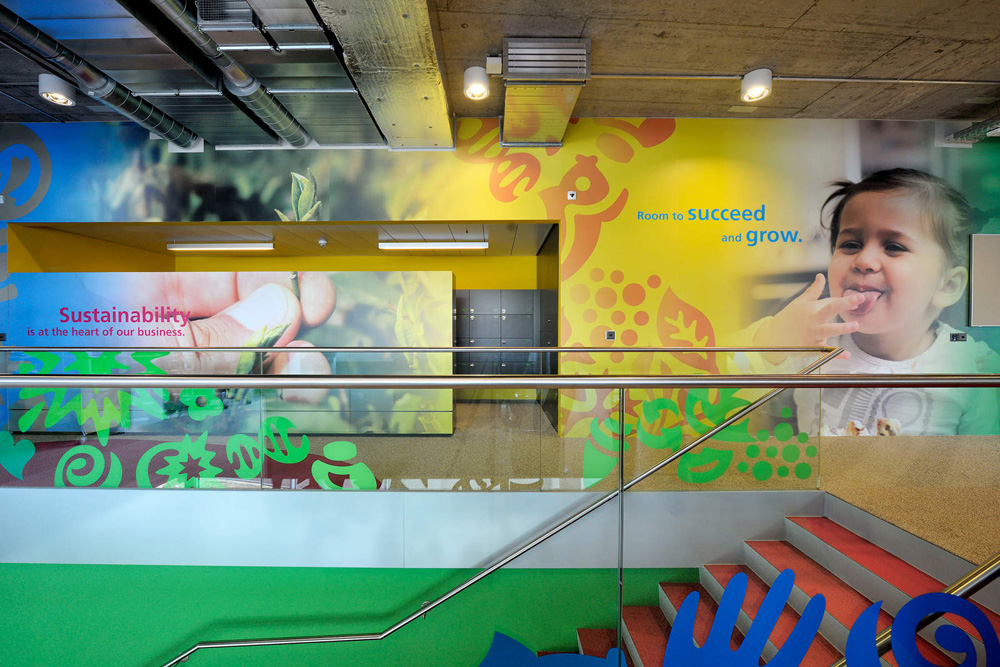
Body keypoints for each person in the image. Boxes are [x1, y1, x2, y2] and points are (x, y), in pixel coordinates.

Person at [749, 168, 999, 436]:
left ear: (947, 286)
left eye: (894, 247)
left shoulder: (972, 367)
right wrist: (774, 341)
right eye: (851, 244)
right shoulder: (811, 342)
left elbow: (983, 456)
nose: (864, 261)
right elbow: (738, 397)